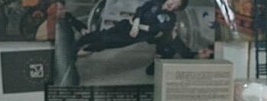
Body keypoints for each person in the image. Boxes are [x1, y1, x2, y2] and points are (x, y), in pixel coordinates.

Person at [75, 0, 207, 59]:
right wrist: (135, 22)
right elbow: (140, 10)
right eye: (173, 0)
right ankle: (77, 45)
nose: (171, 4)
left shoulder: (169, 18)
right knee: (101, 34)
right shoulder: (155, 2)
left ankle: (84, 51)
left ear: (176, 9)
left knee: (107, 41)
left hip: (135, 35)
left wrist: (137, 25)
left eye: (175, 5)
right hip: (126, 25)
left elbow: (154, 29)